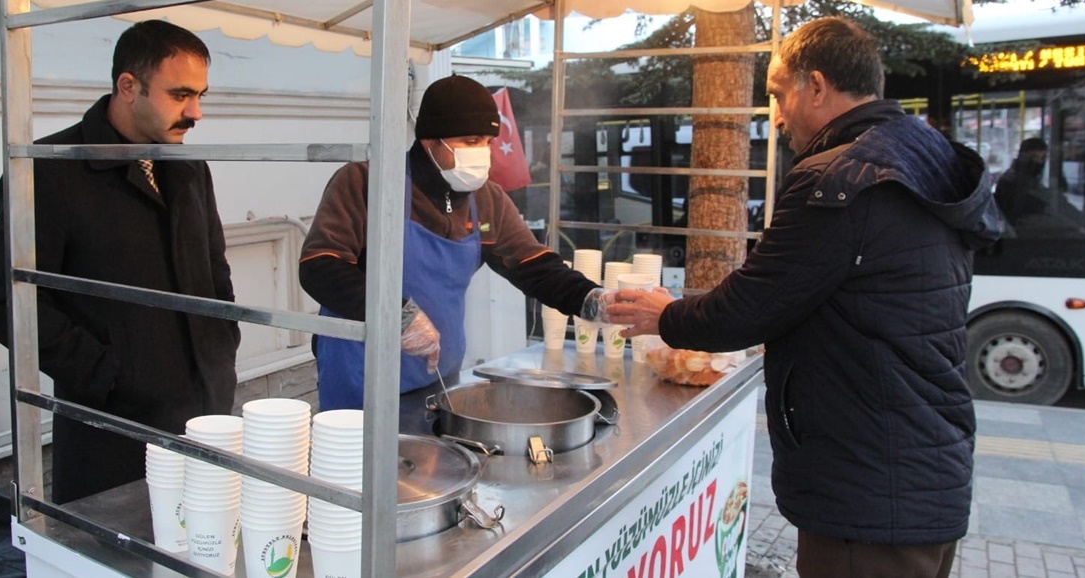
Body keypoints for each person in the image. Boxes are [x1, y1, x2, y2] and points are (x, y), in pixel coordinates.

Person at [607, 17, 1003, 578]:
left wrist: (664, 315)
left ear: (815, 86)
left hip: (867, 492)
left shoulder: (840, 178)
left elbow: (751, 305)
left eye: (777, 94)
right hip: (928, 470)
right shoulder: (924, 157)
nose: (777, 115)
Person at [0, 20, 240, 504]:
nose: (196, 112)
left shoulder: (188, 164)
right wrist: (106, 373)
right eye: (181, 94)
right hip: (113, 434)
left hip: (206, 415)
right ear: (128, 86)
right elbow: (7, 303)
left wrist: (220, 346)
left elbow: (213, 267)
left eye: (201, 95)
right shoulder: (48, 171)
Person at [299, 75, 606, 411]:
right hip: (361, 375)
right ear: (431, 140)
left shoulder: (488, 199)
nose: (483, 153)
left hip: (438, 376)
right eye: (471, 140)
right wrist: (398, 317)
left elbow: (535, 267)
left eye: (488, 142)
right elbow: (320, 266)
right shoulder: (367, 183)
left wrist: (591, 299)